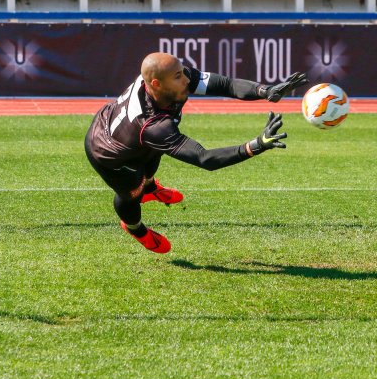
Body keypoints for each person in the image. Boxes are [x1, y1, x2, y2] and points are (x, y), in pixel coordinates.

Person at [84, 52, 308, 253]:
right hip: (108, 152)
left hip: (133, 135)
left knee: (153, 152)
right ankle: (135, 228)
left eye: (183, 73)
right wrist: (256, 145)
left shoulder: (166, 81)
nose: (188, 80)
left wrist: (265, 91)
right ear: (155, 84)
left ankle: (151, 188)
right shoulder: (153, 126)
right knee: (131, 191)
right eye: (179, 77)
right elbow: (204, 158)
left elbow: (225, 85)